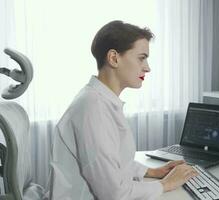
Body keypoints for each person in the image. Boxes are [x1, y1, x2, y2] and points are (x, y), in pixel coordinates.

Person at [49, 20, 197, 200]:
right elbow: (114, 194)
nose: (147, 67)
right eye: (141, 58)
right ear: (114, 58)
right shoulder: (93, 108)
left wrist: (153, 171)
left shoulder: (99, 100)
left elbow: (111, 161)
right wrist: (166, 183)